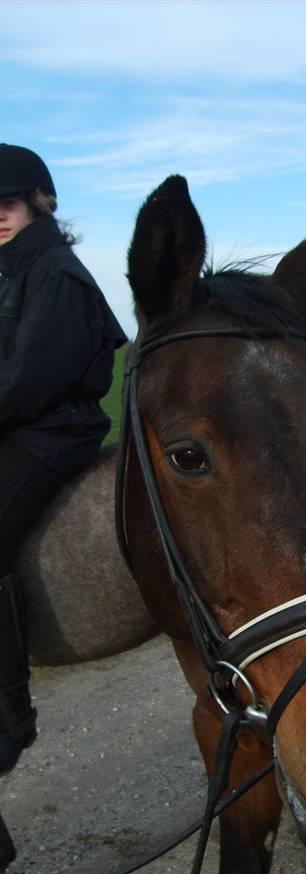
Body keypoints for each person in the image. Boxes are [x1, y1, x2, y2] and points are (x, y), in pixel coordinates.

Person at [0, 144, 126, 774]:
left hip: (52, 431)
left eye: (7, 203)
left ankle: (6, 713)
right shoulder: (12, 269)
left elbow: (28, 383)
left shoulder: (53, 272)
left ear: (38, 204)